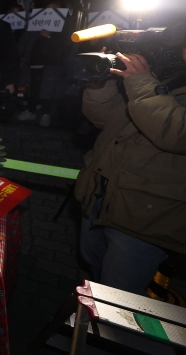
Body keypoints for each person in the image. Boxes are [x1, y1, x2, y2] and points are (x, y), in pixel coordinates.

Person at [75, 46, 186, 296]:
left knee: (118, 298)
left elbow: (176, 132)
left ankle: (109, 335)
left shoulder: (147, 81)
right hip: (102, 194)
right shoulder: (169, 77)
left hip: (145, 216)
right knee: (94, 278)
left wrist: (142, 82)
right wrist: (99, 82)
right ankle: (85, 331)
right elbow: (106, 118)